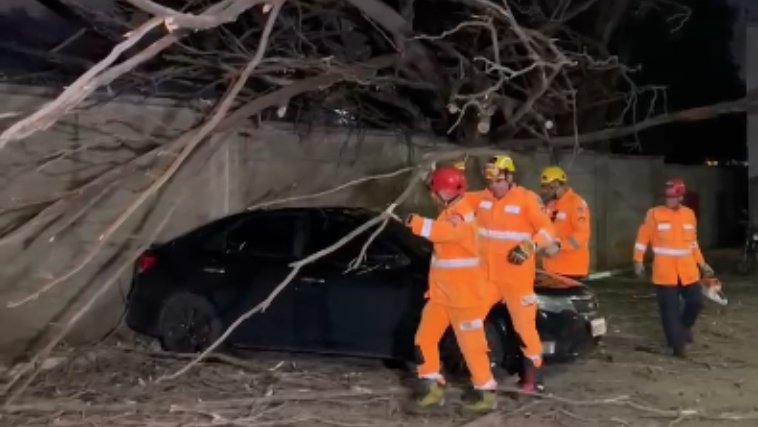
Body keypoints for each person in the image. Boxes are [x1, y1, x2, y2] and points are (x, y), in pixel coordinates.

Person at [405, 166, 497, 412]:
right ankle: (433, 388)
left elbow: (441, 234)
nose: (431, 196)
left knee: (472, 347)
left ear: (444, 192)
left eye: (433, 191)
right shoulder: (450, 211)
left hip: (464, 298)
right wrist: (427, 175)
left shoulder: (461, 216)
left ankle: (486, 394)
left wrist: (414, 222)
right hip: (442, 296)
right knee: (424, 339)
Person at [465, 155, 556, 393]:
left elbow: (548, 231)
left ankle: (533, 379)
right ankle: (484, 375)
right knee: (470, 321)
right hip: (487, 278)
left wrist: (529, 246)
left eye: (498, 180)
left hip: (517, 281)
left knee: (525, 329)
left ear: (509, 177)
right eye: (490, 180)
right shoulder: (480, 198)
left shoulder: (527, 200)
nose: (494, 185)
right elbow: (453, 203)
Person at [633, 179, 715, 358]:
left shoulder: (689, 215)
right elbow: (642, 238)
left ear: (681, 197)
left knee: (696, 303)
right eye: (667, 197)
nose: (668, 200)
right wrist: (638, 260)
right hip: (665, 273)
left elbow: (693, 243)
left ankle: (682, 329)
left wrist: (702, 264)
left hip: (688, 272)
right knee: (670, 312)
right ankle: (676, 345)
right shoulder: (653, 214)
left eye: (672, 197)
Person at [539, 166, 591, 279]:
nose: (544, 191)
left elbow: (582, 235)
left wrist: (559, 246)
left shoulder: (576, 204)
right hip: (551, 269)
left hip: (572, 269)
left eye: (547, 187)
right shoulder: (551, 205)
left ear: (556, 184)